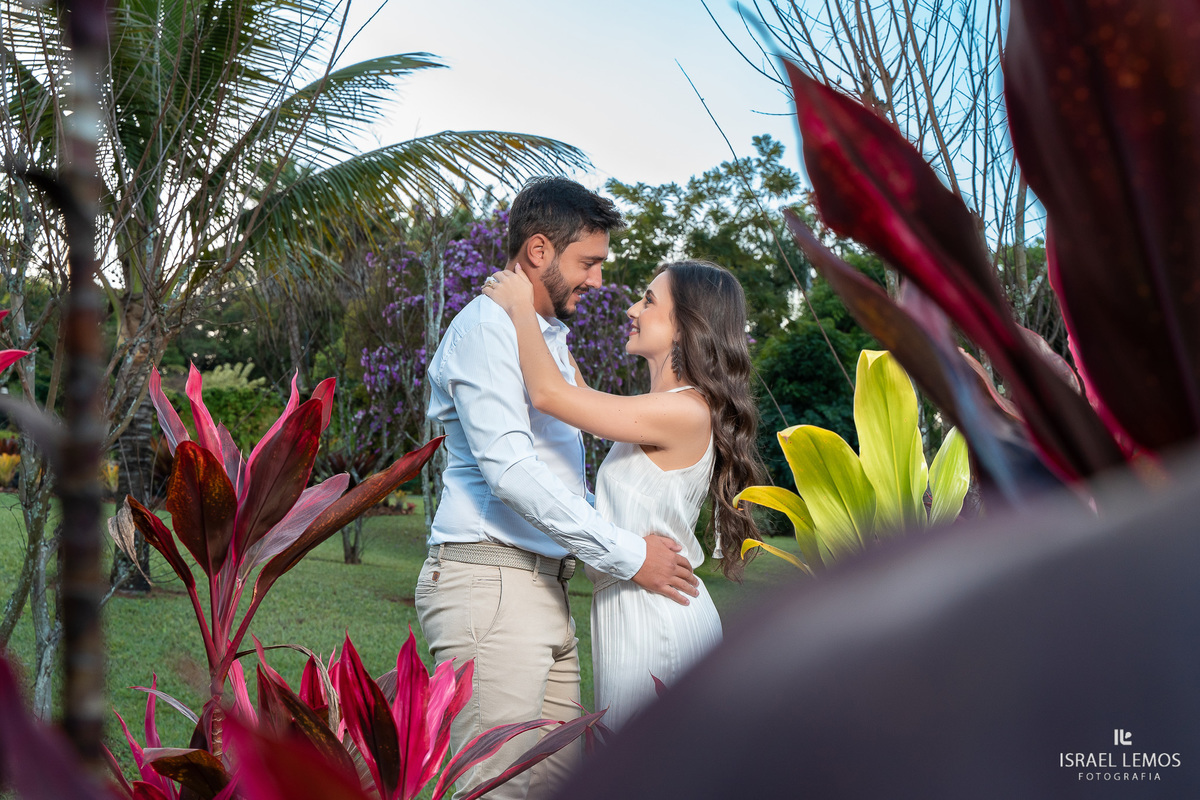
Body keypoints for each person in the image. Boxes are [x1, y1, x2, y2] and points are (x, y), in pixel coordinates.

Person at [417, 177, 699, 800]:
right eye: (588, 263)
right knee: (491, 787)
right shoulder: (489, 328)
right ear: (539, 251)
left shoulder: (546, 339)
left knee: (554, 784)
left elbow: (563, 474)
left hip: (542, 587)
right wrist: (631, 557)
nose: (598, 283)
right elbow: (513, 473)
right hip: (490, 582)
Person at [483, 258, 766, 730]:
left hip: (657, 619)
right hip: (631, 606)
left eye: (649, 300)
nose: (632, 308)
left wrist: (517, 305)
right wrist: (545, 316)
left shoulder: (687, 411)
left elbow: (551, 395)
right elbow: (574, 387)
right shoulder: (663, 408)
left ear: (684, 327)